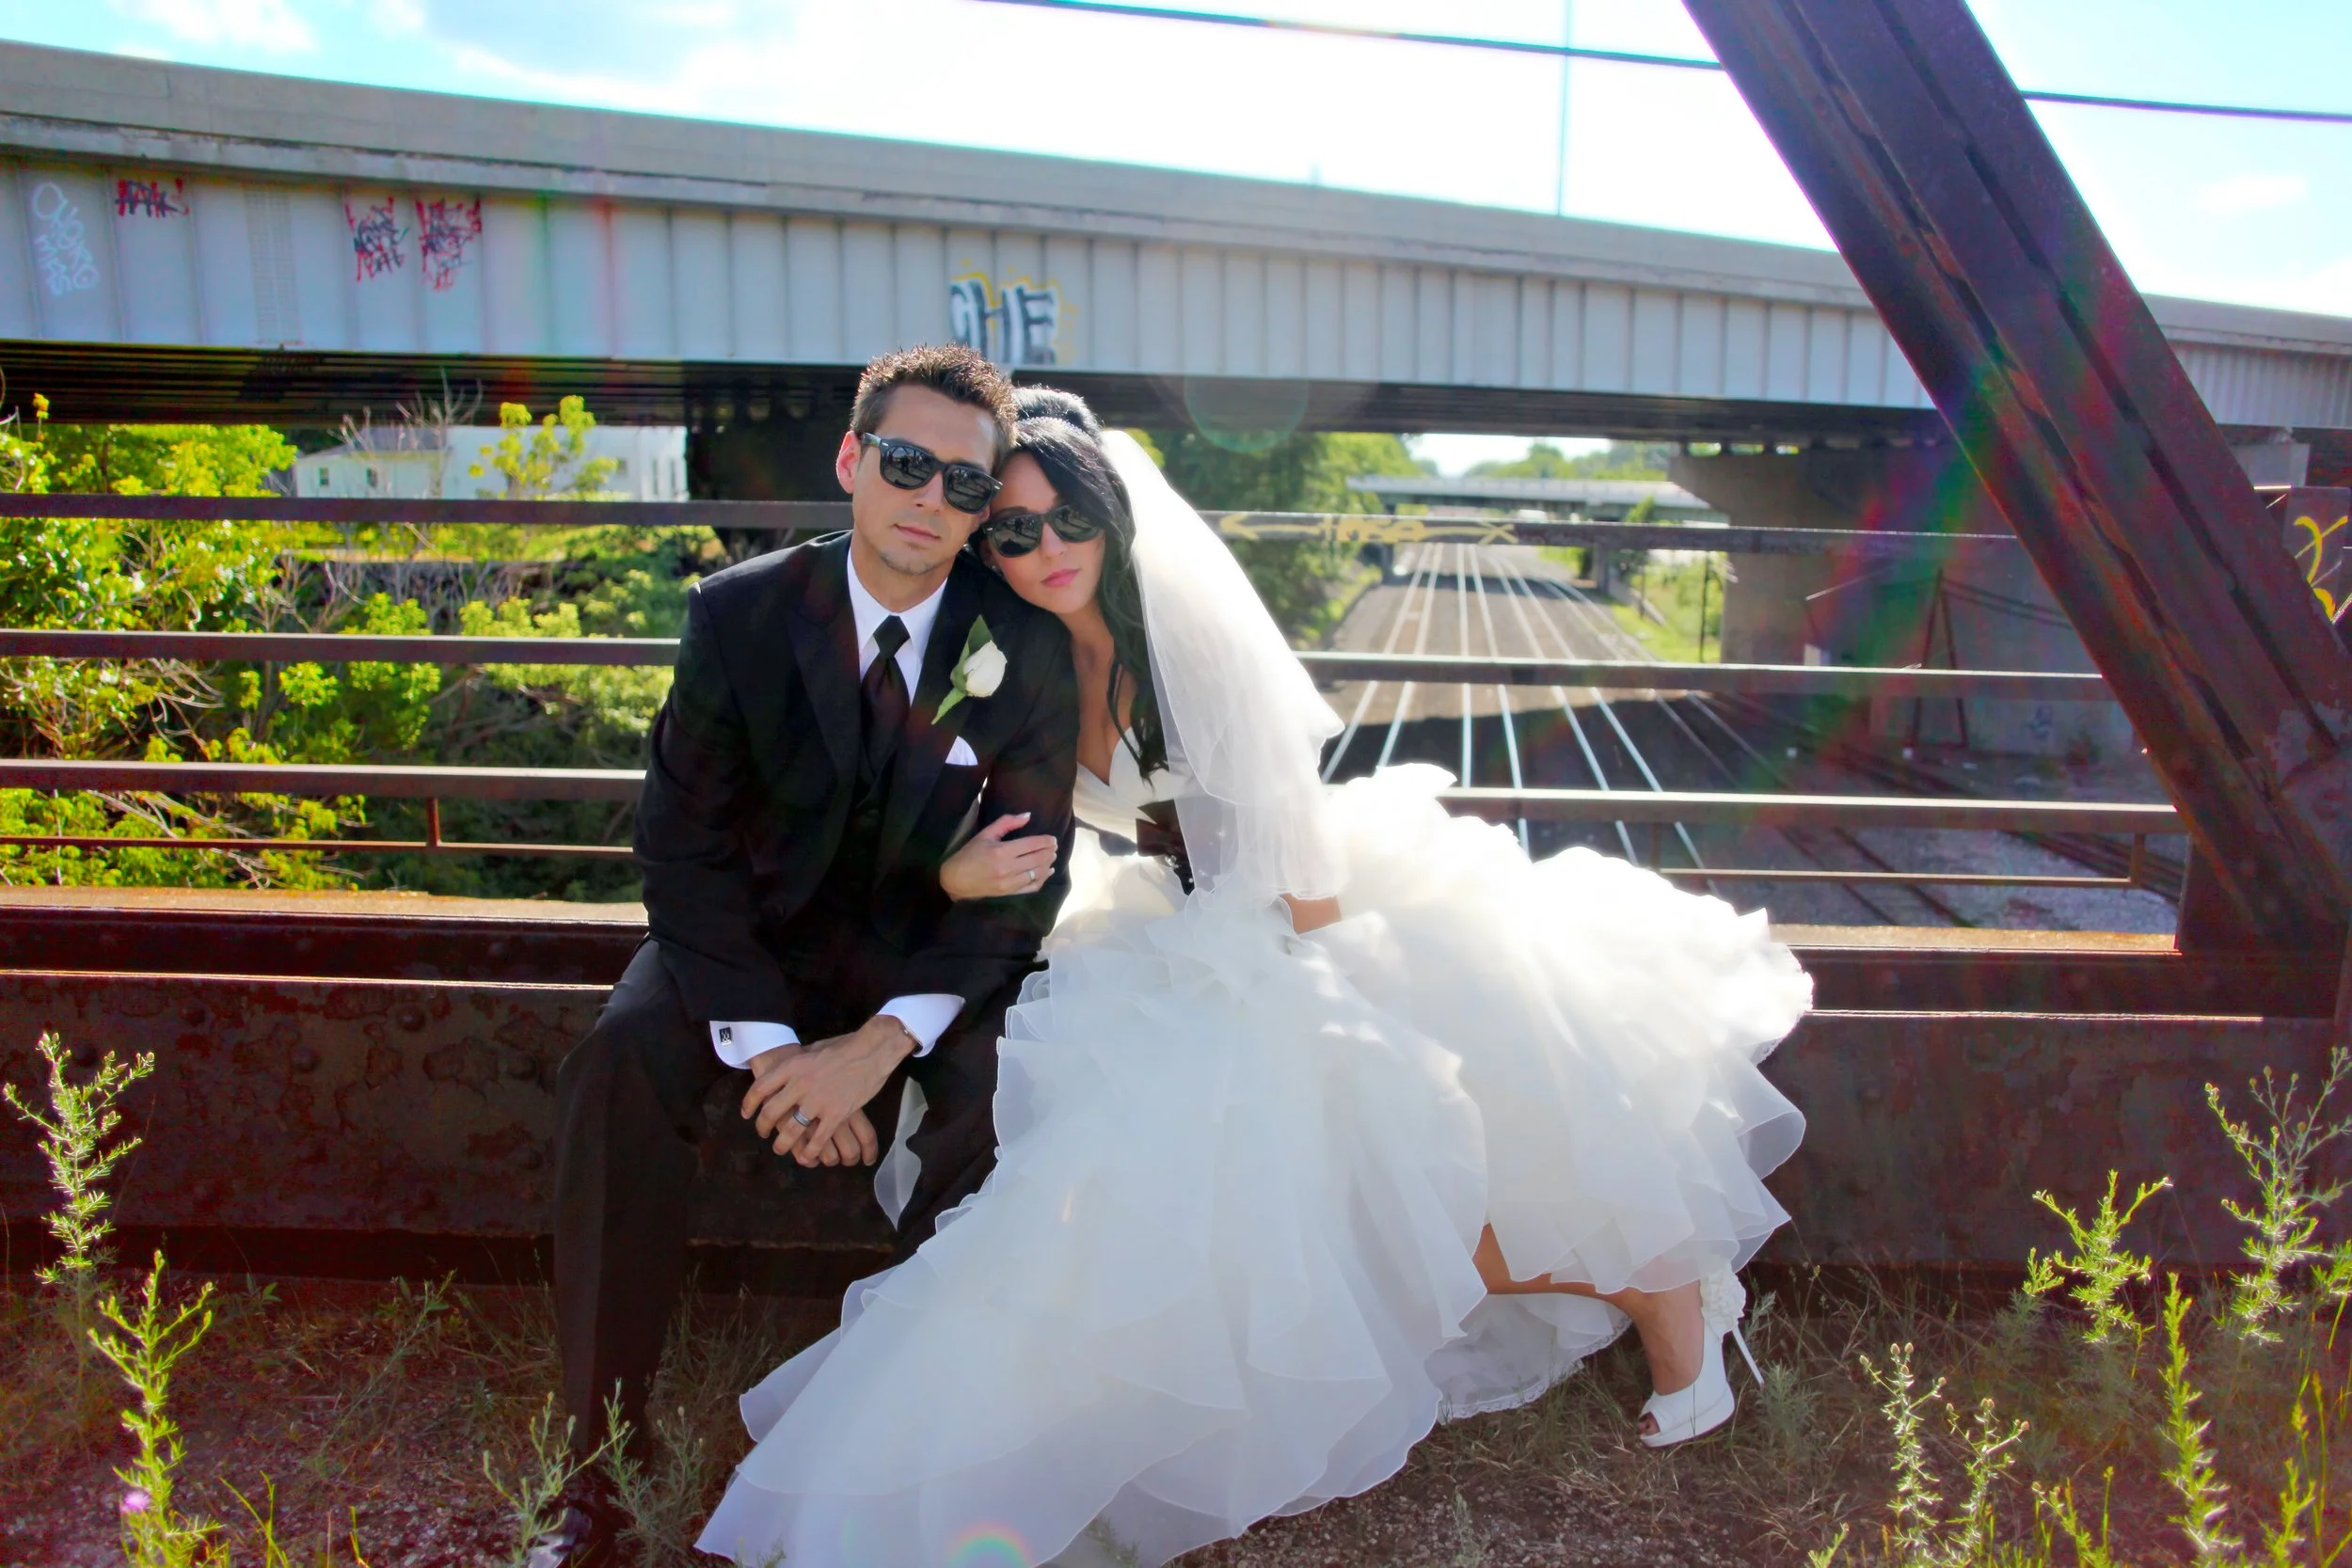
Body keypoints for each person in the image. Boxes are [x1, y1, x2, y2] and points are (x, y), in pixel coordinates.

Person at [698, 389, 1811, 1568]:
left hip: (1295, 915)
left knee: (1368, 1166)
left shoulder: (1189, 649)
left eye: (1065, 519)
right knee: (1138, 1172)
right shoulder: (1011, 649)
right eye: (1012, 532)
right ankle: (1010, 1445)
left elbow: (1298, 867)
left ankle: (1658, 1283)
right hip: (1168, 919)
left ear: (1111, 517)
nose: (1044, 552)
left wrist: (1324, 1010)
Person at [531, 346, 1081, 1568]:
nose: (929, 498)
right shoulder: (738, 614)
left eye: (963, 482)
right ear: (851, 459)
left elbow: (1028, 887)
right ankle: (598, 1465)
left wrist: (881, 1047)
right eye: (904, 462)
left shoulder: (1022, 647)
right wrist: (780, 1056)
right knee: (617, 1064)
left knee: (999, 1096)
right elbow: (680, 849)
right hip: (748, 948)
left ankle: (933, 1450)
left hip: (919, 961)